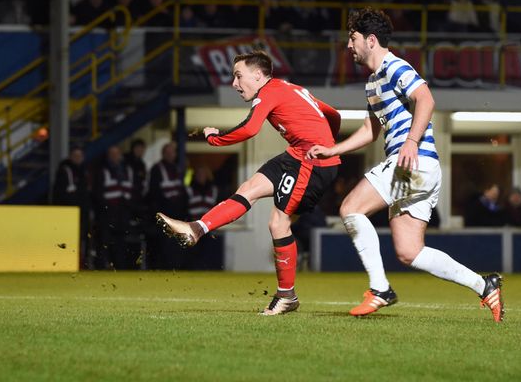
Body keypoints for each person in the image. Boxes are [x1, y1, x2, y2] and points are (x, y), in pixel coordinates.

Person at [306, 8, 504, 322]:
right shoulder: (372, 82)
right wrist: (333, 150)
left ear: (370, 40)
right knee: (409, 251)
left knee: (350, 208)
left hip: (412, 162)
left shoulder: (394, 66)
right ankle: (484, 285)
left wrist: (411, 141)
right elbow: (371, 130)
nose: (348, 46)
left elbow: (426, 99)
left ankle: (380, 288)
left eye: (352, 38)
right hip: (421, 169)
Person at [157, 50, 341, 315]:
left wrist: (215, 138)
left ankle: (287, 296)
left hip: (312, 161)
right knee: (248, 189)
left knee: (278, 222)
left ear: (258, 75)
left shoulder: (268, 91)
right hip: (298, 155)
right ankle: (195, 230)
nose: (234, 84)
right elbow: (332, 113)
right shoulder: (291, 88)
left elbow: (249, 128)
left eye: (238, 76)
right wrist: (330, 142)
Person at [93, 146, 136, 269]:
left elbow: (133, 191)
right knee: (104, 241)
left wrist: (129, 207)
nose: (114, 156)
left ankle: (120, 266)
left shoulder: (127, 170)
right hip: (107, 213)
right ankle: (103, 266)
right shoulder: (102, 170)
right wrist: (105, 208)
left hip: (123, 213)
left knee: (121, 242)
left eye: (116, 153)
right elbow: (98, 193)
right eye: (112, 154)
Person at [147, 141, 188, 269]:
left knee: (176, 242)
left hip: (177, 212)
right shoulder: (157, 169)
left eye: (173, 152)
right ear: (164, 154)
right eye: (169, 152)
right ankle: (163, 267)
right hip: (165, 212)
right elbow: (154, 192)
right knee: (164, 242)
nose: (171, 155)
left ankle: (175, 267)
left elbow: (181, 190)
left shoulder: (177, 169)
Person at [52, 146, 91, 268]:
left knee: (83, 237)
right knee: (67, 239)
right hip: (68, 212)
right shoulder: (65, 171)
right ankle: (65, 263)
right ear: (70, 157)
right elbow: (59, 193)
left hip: (82, 211)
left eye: (80, 156)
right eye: (75, 156)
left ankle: (81, 263)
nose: (78, 158)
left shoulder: (85, 171)